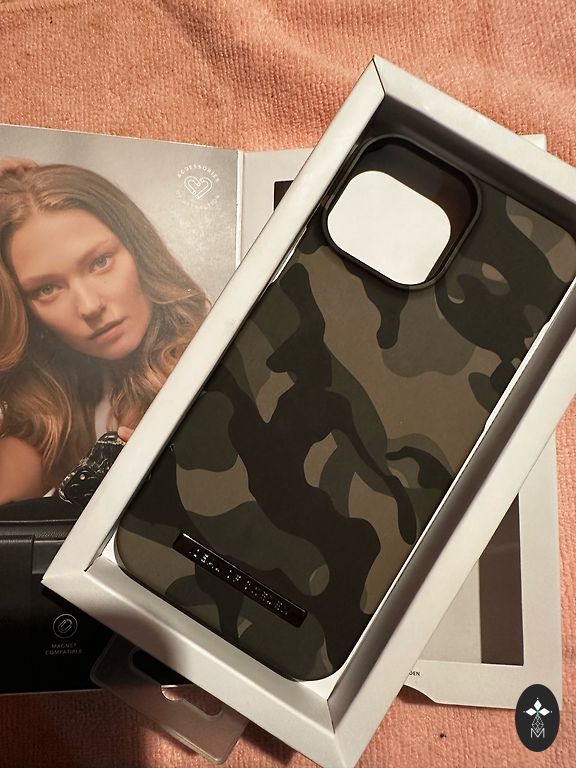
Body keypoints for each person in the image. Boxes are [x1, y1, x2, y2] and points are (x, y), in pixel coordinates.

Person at [0, 159, 210, 503]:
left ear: (139, 251)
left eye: (100, 262)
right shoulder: (58, 413)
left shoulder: (218, 364)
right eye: (47, 289)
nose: (89, 306)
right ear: (26, 311)